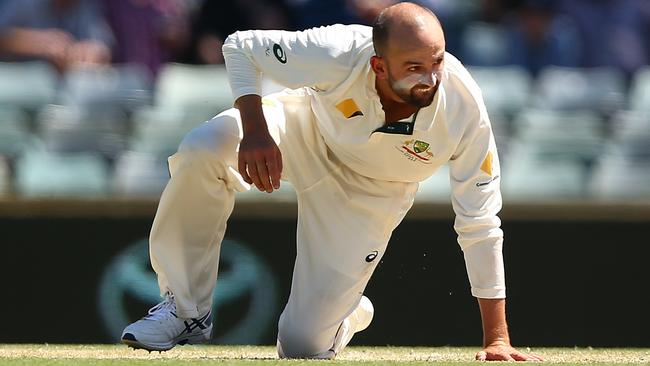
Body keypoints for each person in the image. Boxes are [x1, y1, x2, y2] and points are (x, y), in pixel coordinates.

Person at [121, 2, 542, 361]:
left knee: (301, 346)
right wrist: (254, 130)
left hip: (372, 192)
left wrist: (497, 338)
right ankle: (185, 309)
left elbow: (481, 220)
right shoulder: (340, 49)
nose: (430, 79)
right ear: (378, 64)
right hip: (305, 130)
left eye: (436, 63)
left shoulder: (463, 107)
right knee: (202, 148)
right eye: (413, 67)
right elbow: (240, 46)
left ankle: (344, 313)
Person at [0, 0, 112, 72]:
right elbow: (3, 36)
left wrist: (93, 51)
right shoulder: (23, 3)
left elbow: (102, 44)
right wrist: (37, 42)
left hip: (65, 93)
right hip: (18, 87)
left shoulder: (87, 5)